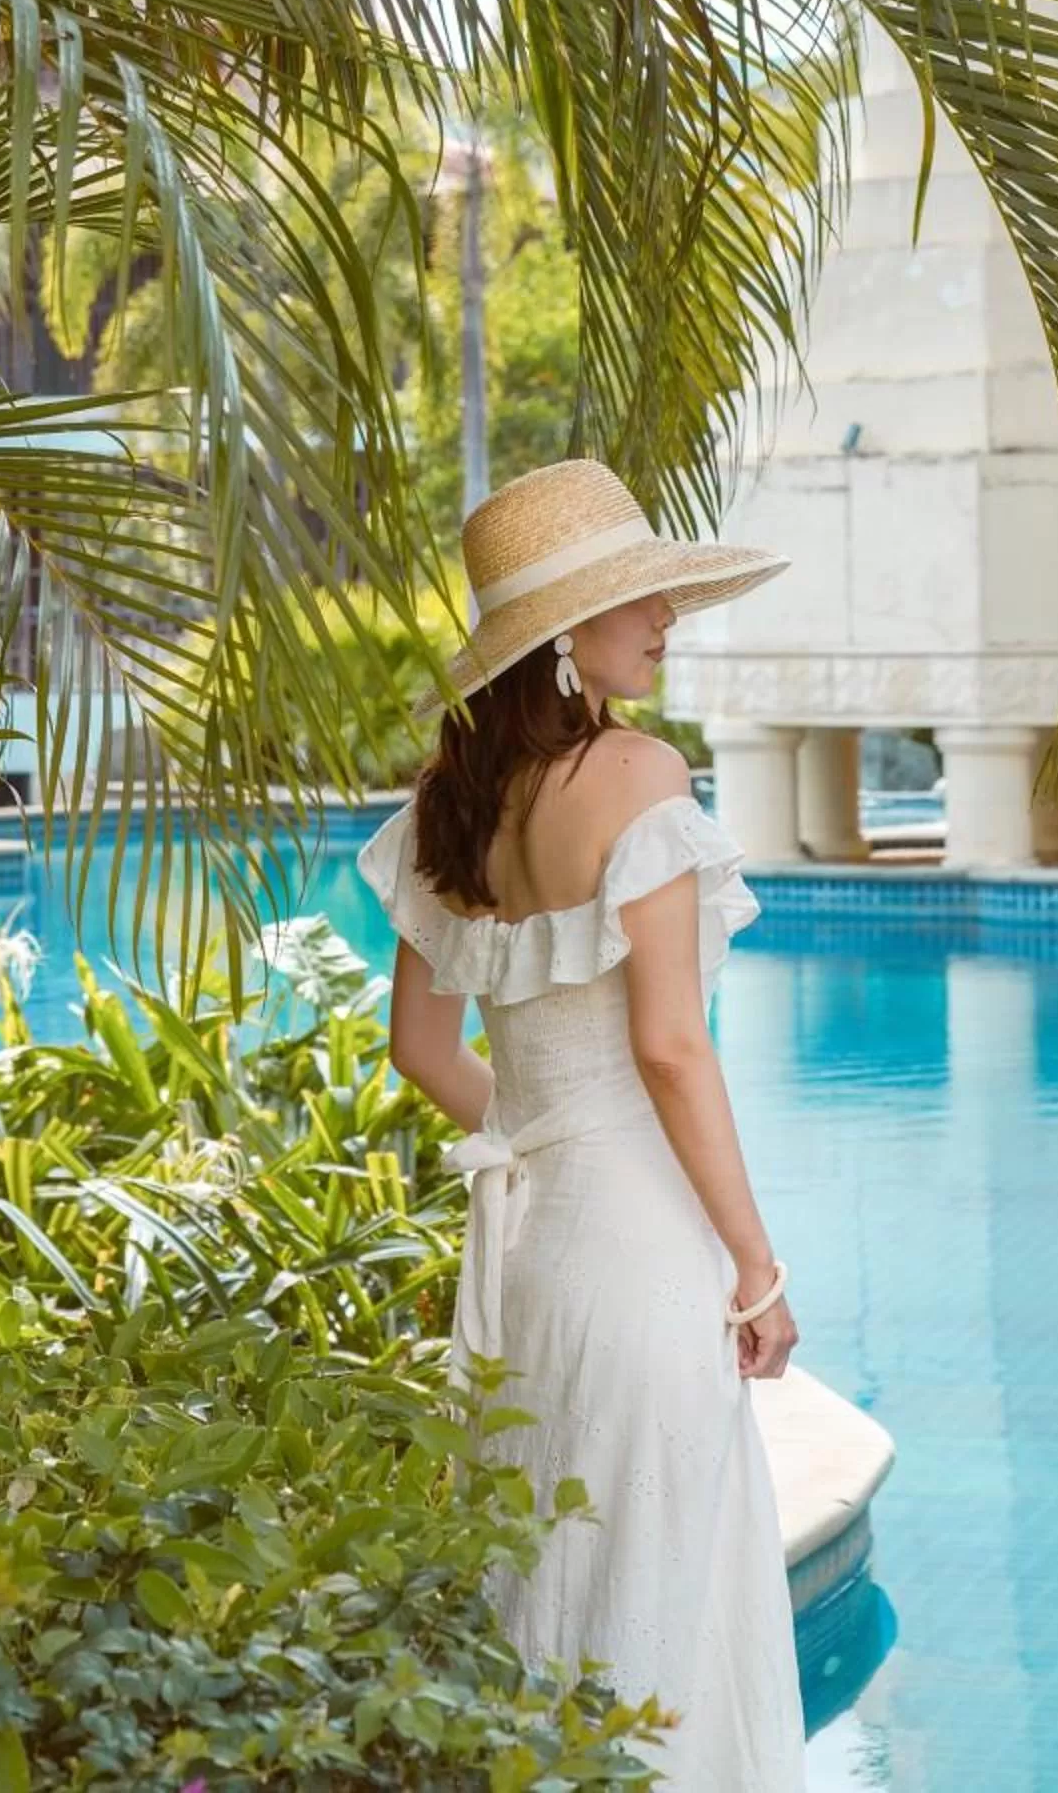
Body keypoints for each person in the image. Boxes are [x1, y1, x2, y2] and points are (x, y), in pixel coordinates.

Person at [359, 457, 806, 1787]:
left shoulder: (456, 807)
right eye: (640, 602)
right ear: (564, 637)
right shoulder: (639, 772)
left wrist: (552, 1133)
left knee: (555, 1585)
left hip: (537, 1253)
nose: (666, 621)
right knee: (664, 1588)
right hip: (641, 1253)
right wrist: (756, 1264)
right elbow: (673, 1048)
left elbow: (417, 1047)